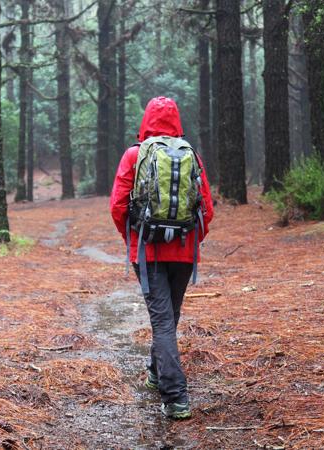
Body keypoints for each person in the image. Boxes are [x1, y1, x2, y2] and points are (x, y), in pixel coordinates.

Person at [110, 96, 214, 419]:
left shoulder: (134, 155)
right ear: (177, 121)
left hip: (149, 252)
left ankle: (176, 396)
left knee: (163, 322)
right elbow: (206, 210)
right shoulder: (190, 155)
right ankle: (157, 372)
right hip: (183, 253)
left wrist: (134, 241)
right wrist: (189, 241)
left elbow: (117, 206)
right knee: (169, 318)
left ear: (146, 121)